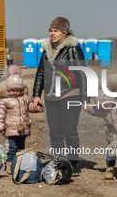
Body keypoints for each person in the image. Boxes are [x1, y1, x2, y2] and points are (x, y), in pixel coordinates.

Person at [32, 17, 88, 177]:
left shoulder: (73, 49)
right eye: (50, 30)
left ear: (64, 33)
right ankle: (58, 160)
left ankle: (73, 163)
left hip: (70, 95)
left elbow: (82, 74)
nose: (52, 33)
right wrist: (36, 95)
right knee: (54, 132)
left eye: (55, 30)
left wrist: (85, 98)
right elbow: (41, 73)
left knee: (69, 131)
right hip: (51, 98)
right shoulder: (46, 50)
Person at [0, 65, 43, 174]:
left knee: (21, 148)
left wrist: (36, 108)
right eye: (12, 90)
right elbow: (0, 115)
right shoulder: (4, 100)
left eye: (18, 90)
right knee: (11, 148)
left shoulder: (25, 98)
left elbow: (29, 107)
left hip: (23, 129)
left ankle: (19, 164)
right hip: (10, 129)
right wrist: (1, 127)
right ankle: (10, 166)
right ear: (8, 89)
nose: (15, 92)